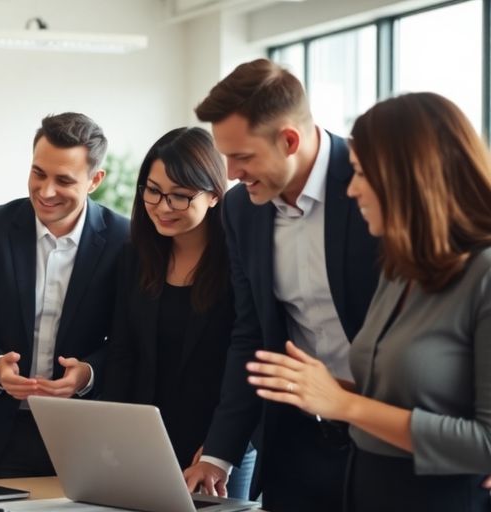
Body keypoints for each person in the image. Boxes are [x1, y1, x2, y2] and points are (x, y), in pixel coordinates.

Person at [248, 92, 491, 511]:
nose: (353, 188)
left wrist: (345, 404)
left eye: (361, 173)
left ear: (409, 175)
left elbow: (484, 443)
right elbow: (399, 396)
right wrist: (322, 388)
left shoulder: (483, 275)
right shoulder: (399, 270)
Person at [181, 58, 380, 511]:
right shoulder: (241, 209)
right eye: (225, 155)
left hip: (386, 439)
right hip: (297, 444)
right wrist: (218, 454)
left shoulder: (374, 182)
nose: (230, 172)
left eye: (243, 156)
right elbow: (251, 334)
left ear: (289, 139)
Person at [0, 112, 129, 479]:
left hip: (84, 431)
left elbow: (130, 336)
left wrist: (87, 374)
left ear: (95, 180)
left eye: (63, 180)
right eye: (38, 173)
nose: (45, 191)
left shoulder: (125, 240)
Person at [102, 127, 255, 499]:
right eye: (153, 191)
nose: (163, 206)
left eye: (181, 197)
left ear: (215, 196)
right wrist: (109, 434)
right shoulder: (134, 256)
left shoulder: (241, 261)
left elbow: (250, 358)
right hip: (145, 443)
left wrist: (221, 448)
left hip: (216, 447)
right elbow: (122, 352)